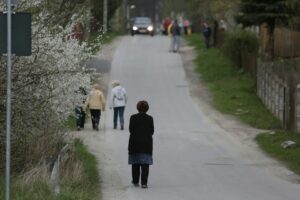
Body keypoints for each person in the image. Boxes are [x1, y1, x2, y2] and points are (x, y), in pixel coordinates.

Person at [128, 101, 154, 189]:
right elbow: (152, 131)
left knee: (135, 163)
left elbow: (130, 129)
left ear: (137, 108)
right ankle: (144, 183)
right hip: (146, 143)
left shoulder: (133, 117)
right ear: (147, 108)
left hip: (134, 142)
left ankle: (135, 181)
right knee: (145, 164)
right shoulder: (150, 118)